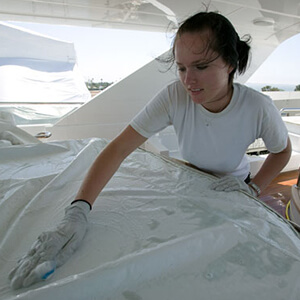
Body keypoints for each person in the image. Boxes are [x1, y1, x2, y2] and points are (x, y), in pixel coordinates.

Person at [9, 11, 291, 289]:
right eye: (181, 68)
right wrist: (78, 211)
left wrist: (253, 188)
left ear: (230, 63)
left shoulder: (257, 107)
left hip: (233, 188)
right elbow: (118, 148)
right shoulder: (174, 96)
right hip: (189, 182)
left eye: (201, 67)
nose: (188, 80)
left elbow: (282, 151)